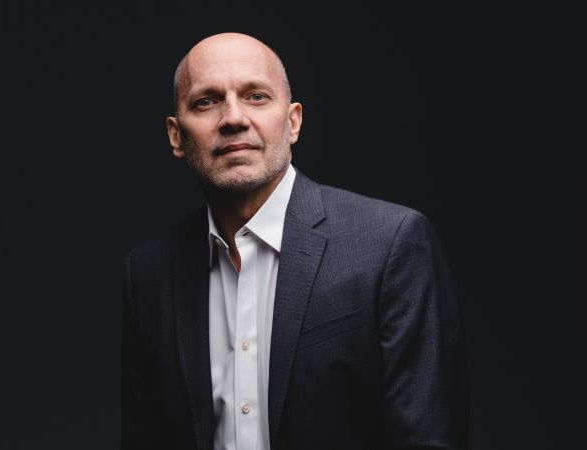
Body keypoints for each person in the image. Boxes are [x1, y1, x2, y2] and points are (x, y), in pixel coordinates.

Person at [121, 32, 468, 450]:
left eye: (256, 96)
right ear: (176, 136)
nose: (233, 118)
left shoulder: (390, 244)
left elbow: (428, 438)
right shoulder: (150, 273)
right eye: (206, 101)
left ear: (293, 122)